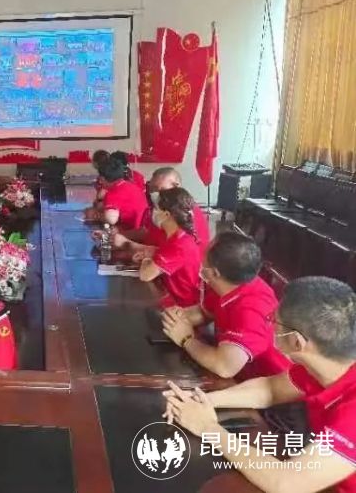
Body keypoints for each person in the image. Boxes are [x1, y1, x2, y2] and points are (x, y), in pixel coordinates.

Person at [163, 277, 356, 493]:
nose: (269, 323)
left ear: (296, 342)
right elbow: (270, 390)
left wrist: (208, 428)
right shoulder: (325, 366)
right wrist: (203, 400)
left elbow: (287, 484)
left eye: (274, 320)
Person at [161, 232, 290, 379]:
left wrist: (186, 339)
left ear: (214, 273)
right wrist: (176, 318)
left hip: (263, 383)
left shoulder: (252, 311)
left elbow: (224, 367)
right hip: (235, 366)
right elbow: (204, 313)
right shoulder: (230, 282)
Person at [100, 167, 211, 256]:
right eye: (153, 190)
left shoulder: (183, 213)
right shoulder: (161, 208)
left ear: (176, 186)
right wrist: (114, 236)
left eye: (160, 189)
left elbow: (172, 253)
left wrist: (126, 244)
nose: (156, 194)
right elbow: (147, 232)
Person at [138, 187, 201, 307]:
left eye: (156, 209)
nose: (153, 212)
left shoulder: (179, 245)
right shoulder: (172, 236)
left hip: (180, 307)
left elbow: (145, 275)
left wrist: (146, 260)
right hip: (168, 297)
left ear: (167, 214)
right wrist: (152, 254)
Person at [98, 158, 149, 230]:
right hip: (143, 229)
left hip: (133, 232)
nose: (100, 182)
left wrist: (96, 216)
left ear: (103, 179)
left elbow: (111, 219)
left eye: (100, 179)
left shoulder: (114, 192)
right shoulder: (131, 186)